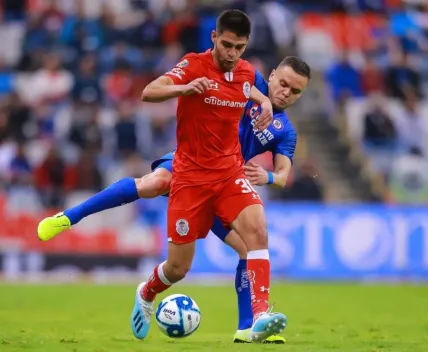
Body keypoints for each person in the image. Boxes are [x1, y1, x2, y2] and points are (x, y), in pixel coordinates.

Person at [38, 10, 302, 343]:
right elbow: (149, 92)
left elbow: (281, 172)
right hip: (190, 170)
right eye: (281, 85)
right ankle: (72, 219)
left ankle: (254, 322)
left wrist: (266, 156)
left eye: (295, 91)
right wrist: (186, 88)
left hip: (228, 176)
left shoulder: (267, 104)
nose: (285, 93)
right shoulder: (199, 66)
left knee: (256, 237)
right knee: (172, 246)